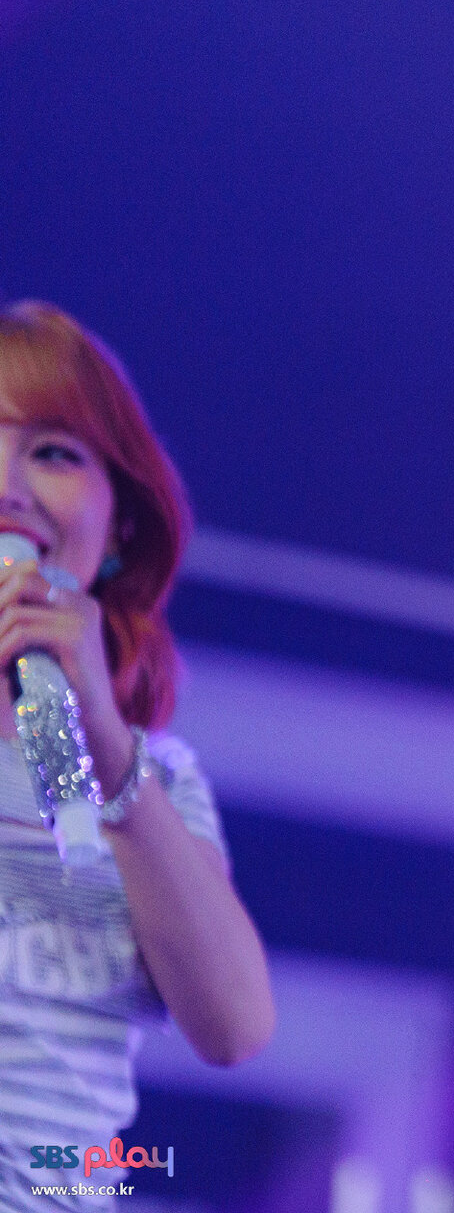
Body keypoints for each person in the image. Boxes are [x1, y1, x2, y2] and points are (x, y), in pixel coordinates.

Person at [0, 303, 275, 1210]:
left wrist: (107, 749)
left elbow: (235, 1027)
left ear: (120, 528)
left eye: (52, 452)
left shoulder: (158, 781)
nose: (8, 489)